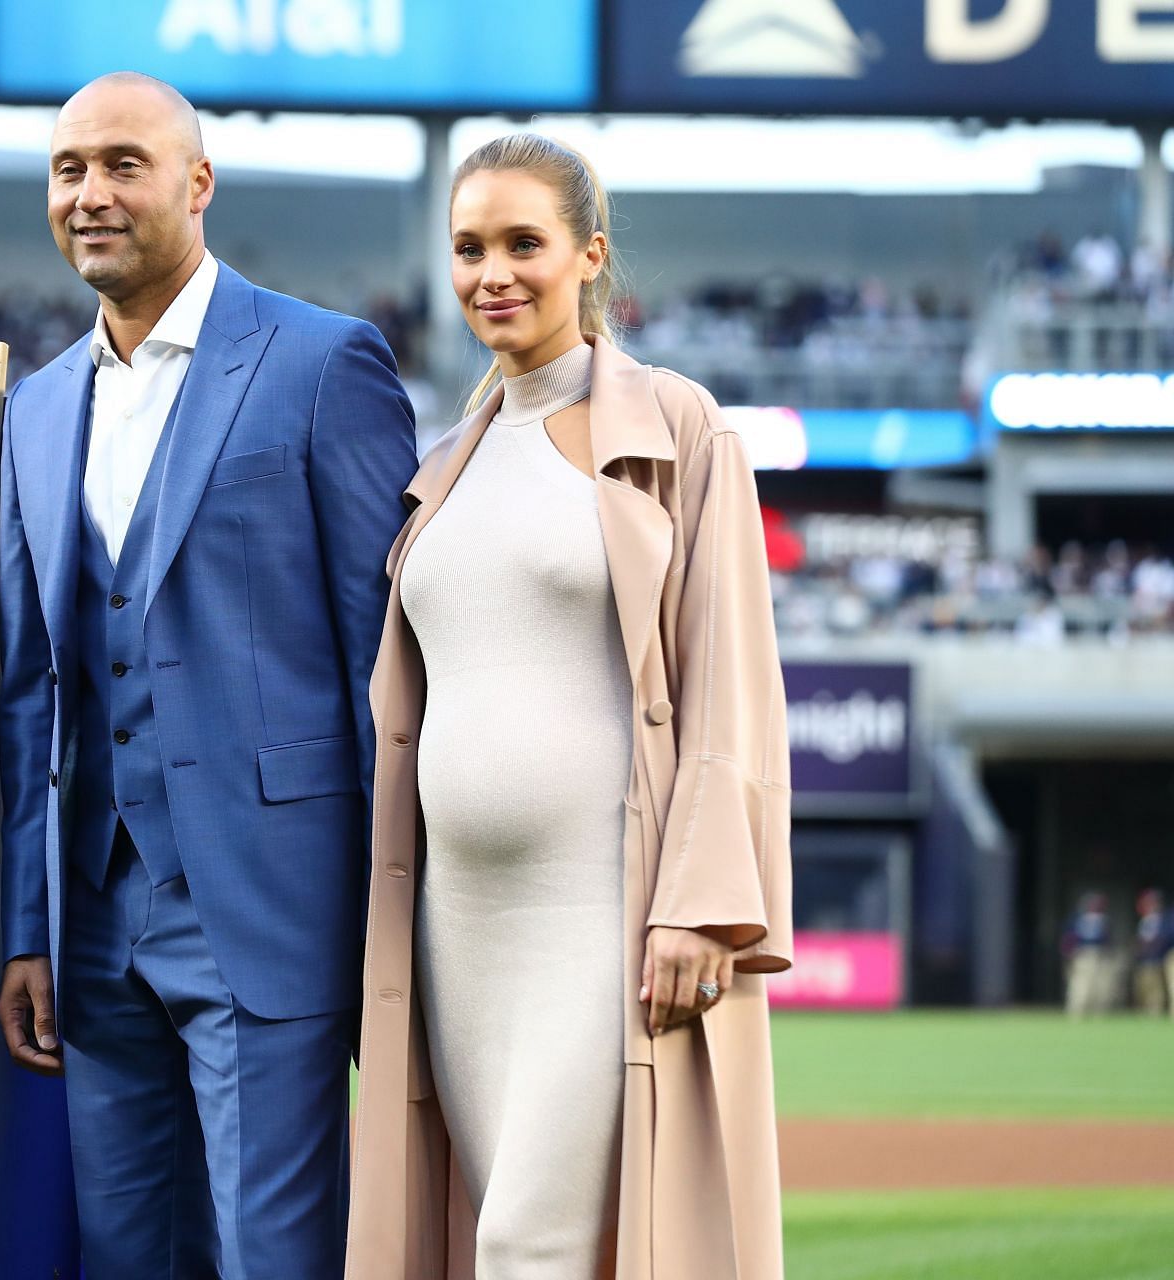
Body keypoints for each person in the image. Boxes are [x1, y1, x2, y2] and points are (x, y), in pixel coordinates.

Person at [0, 72, 417, 1278]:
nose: (91, 193)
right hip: (93, 922)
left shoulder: (326, 362)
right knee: (126, 1253)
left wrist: (389, 917)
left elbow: (377, 662)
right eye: (69, 169)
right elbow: (33, 692)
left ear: (198, 183)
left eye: (124, 163)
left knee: (274, 1257)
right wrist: (32, 925)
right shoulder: (35, 408)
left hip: (270, 907)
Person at [347, 133, 792, 1280]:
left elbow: (729, 678)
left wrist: (700, 900)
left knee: (525, 1244)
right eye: (468, 247)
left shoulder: (683, 429)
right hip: (457, 929)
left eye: (523, 244)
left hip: (603, 912)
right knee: (499, 1231)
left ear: (589, 255)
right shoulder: (442, 460)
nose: (492, 271)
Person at [1062, 890, 1111, 1017]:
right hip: (1082, 954)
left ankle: (1098, 1012)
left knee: (1100, 985)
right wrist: (1069, 952)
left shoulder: (1104, 920)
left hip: (1099, 954)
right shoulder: (1078, 919)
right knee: (1080, 984)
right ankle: (1077, 1011)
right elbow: (1069, 937)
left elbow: (1108, 940)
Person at [1134, 889, 1171, 1015]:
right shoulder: (1145, 920)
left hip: (1158, 958)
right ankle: (1146, 1011)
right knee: (1143, 987)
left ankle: (1156, 1012)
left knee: (1157, 988)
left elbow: (1166, 937)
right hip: (1144, 959)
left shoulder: (1166, 918)